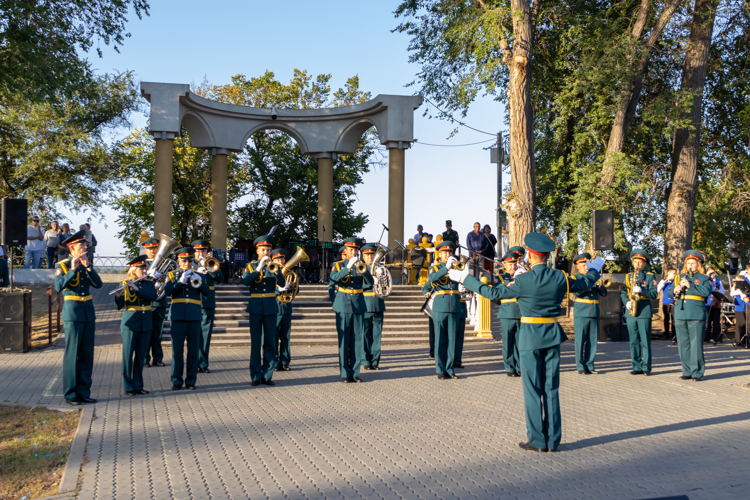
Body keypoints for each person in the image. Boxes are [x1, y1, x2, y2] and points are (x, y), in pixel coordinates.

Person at [450, 232, 604, 452]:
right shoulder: (559, 277)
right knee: (551, 388)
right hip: (552, 334)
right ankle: (553, 440)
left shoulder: (522, 280)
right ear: (546, 256)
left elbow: (493, 293)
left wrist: (466, 278)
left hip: (530, 336)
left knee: (532, 389)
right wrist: (595, 268)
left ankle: (538, 440)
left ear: (530, 255)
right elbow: (585, 282)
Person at [54, 230, 103, 406]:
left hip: (87, 312)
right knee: (73, 354)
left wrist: (88, 267)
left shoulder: (85, 265)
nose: (85, 249)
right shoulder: (63, 265)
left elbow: (98, 284)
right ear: (72, 248)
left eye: (85, 246)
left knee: (86, 354)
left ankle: (84, 392)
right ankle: (70, 393)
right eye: (82, 246)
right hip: (73, 313)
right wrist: (73, 269)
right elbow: (59, 286)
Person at [163, 247, 210, 390]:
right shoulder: (172, 275)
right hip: (177, 316)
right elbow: (167, 291)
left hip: (194, 316)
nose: (187, 264)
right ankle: (176, 380)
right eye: (184, 261)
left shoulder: (198, 275)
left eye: (190, 261)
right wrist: (180, 281)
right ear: (179, 261)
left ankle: (191, 380)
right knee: (177, 350)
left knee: (193, 350)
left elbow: (207, 293)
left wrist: (200, 280)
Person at [243, 236, 285, 386]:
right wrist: (258, 269)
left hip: (270, 306)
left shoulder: (274, 266)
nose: (266, 252)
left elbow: (283, 282)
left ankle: (267, 375)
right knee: (255, 343)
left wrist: (277, 273)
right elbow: (246, 281)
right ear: (257, 251)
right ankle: (255, 375)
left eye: (268, 250)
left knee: (269, 342)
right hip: (255, 307)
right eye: (263, 250)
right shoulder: (250, 266)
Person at [330, 238, 373, 383]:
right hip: (342, 305)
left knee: (357, 340)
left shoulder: (361, 265)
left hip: (358, 305)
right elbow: (333, 279)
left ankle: (355, 372)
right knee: (344, 341)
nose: (354, 252)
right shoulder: (338, 265)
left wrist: (364, 271)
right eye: (351, 250)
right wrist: (347, 268)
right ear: (346, 251)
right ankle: (344, 373)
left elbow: (371, 283)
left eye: (356, 250)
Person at [114, 256, 158, 396]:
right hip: (130, 324)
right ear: (133, 271)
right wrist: (118, 296)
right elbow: (118, 307)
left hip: (145, 323)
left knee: (140, 356)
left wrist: (137, 289)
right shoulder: (124, 283)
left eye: (145, 268)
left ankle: (138, 385)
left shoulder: (149, 284)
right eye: (141, 269)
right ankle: (128, 387)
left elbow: (153, 297)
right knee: (128, 356)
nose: (145, 270)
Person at [669, 250, 711, 381]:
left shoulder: (704, 278)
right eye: (688, 263)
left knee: (696, 344)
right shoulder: (678, 278)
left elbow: (706, 292)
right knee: (683, 344)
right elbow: (670, 293)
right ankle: (686, 370)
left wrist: (690, 285)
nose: (690, 265)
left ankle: (697, 372)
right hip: (681, 313)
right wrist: (675, 290)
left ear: (699, 264)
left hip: (696, 314)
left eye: (693, 263)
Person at [425, 240, 463, 380]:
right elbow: (431, 280)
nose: (448, 254)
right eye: (445, 252)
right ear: (439, 254)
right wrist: (445, 268)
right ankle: (440, 369)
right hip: (440, 306)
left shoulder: (457, 268)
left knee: (452, 339)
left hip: (454, 306)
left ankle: (450, 368)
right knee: (440, 338)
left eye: (450, 252)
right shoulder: (435, 268)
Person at [621, 249, 658, 375]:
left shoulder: (650, 276)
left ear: (644, 263)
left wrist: (643, 291)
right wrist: (626, 301)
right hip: (631, 311)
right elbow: (624, 292)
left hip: (644, 312)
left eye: (640, 262)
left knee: (645, 341)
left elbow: (654, 294)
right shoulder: (628, 276)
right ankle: (636, 365)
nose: (637, 264)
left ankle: (646, 367)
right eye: (635, 262)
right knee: (633, 340)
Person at [571, 253, 608, 374]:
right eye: (583, 265)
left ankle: (590, 364)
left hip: (594, 312)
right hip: (581, 312)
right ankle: (580, 366)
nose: (586, 267)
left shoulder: (594, 277)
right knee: (580, 340)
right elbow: (577, 293)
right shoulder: (575, 279)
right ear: (577, 266)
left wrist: (600, 285)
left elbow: (604, 293)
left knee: (592, 340)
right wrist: (589, 282)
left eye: (587, 265)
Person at [192, 239, 225, 373]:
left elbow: (221, 278)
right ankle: (193, 363)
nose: (201, 253)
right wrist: (197, 270)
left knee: (205, 335)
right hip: (193, 302)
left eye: (203, 251)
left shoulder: (211, 263)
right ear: (194, 252)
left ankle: (203, 363)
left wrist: (209, 269)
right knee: (194, 335)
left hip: (208, 302)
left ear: (207, 252)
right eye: (198, 251)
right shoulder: (189, 263)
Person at [495, 251, 522, 377]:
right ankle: (509, 367)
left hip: (521, 311)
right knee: (507, 341)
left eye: (515, 264)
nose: (513, 267)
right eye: (510, 264)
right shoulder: (500, 277)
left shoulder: (522, 276)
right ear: (504, 265)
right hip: (507, 312)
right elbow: (495, 294)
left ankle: (520, 366)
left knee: (520, 342)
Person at [142, 238, 167, 368]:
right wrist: (148, 277)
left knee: (158, 332)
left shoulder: (164, 264)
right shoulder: (141, 263)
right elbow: (136, 281)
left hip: (160, 302)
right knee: (146, 331)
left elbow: (169, 281)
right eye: (149, 249)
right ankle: (145, 358)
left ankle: (157, 358)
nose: (152, 251)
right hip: (146, 303)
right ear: (145, 250)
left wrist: (162, 279)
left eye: (154, 248)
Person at [361, 244, 385, 370]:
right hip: (364, 304)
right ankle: (365, 361)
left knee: (377, 335)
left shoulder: (380, 268)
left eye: (372, 254)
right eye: (367, 255)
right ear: (363, 257)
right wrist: (370, 279)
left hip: (378, 303)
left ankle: (375, 361)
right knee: (364, 335)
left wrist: (380, 279)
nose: (370, 257)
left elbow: (386, 285)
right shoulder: (360, 268)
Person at [272, 248, 293, 372]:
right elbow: (268, 288)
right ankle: (275, 362)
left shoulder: (290, 274)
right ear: (273, 260)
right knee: (274, 337)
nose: (280, 261)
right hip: (275, 308)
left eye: (282, 258)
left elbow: (296, 290)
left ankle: (285, 362)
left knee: (286, 337)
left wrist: (291, 287)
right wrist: (278, 290)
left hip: (286, 308)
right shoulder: (270, 272)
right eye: (277, 259)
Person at [703, 267, 725, 344]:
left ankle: (716, 337)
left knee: (716, 321)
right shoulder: (705, 280)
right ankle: (707, 337)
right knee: (707, 320)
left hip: (716, 303)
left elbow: (723, 291)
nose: (713, 274)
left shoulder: (718, 282)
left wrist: (718, 291)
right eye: (710, 273)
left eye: (714, 273)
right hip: (707, 303)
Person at [657, 268, 677, 340]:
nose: (675, 274)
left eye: (675, 273)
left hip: (674, 302)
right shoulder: (663, 280)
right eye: (673, 273)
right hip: (665, 302)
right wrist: (663, 283)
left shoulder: (676, 281)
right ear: (669, 273)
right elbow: (658, 289)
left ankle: (674, 334)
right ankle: (666, 334)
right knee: (666, 318)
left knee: (674, 319)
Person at [731, 271, 750, 346]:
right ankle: (739, 340)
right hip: (738, 307)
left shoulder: (741, 289)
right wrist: (733, 285)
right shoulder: (737, 289)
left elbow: (741, 294)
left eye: (737, 280)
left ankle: (742, 340)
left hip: (743, 307)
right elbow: (732, 293)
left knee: (743, 324)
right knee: (740, 324)